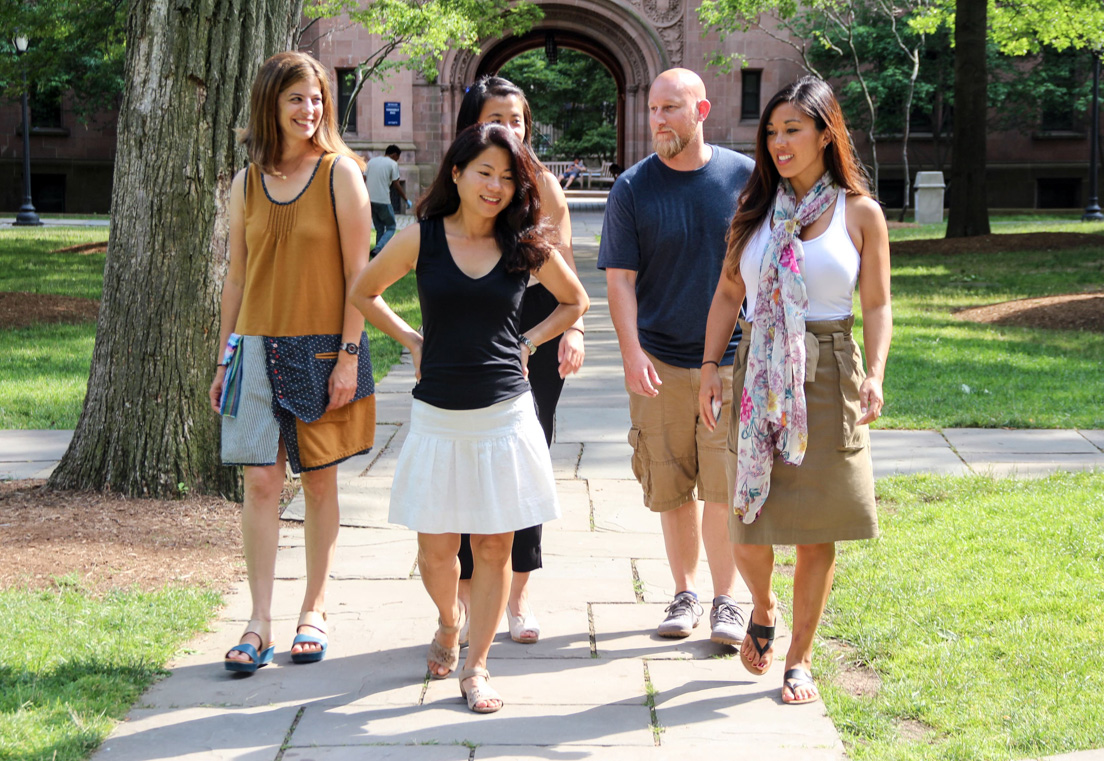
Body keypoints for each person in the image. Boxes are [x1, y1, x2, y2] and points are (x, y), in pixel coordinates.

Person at [350, 122, 589, 713]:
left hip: (505, 416)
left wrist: (529, 341)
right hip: (437, 418)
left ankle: (477, 666)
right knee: (436, 552)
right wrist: (410, 338)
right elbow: (363, 290)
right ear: (456, 173)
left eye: (508, 177)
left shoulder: (522, 244)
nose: (496, 186)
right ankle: (448, 621)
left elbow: (575, 300)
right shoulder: (422, 238)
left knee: (492, 546)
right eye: (485, 172)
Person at [698, 75, 891, 704]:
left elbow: (879, 304)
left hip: (830, 368)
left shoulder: (860, 214)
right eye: (772, 132)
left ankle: (800, 659)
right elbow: (730, 293)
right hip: (757, 371)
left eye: (793, 130)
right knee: (747, 518)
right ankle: (763, 605)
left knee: (818, 526)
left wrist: (876, 374)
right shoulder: (753, 210)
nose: (779, 143)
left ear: (825, 133)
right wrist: (708, 367)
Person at [209, 51, 376, 674]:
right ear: (270, 106)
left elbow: (361, 278)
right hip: (253, 347)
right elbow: (236, 278)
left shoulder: (341, 173)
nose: (310, 111)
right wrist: (225, 357)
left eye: (317, 100)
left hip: (324, 347)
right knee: (260, 482)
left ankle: (316, 608)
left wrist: (348, 357)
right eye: (296, 100)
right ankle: (258, 621)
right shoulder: (245, 182)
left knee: (321, 480)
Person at [598, 68, 754, 644]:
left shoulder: (745, 178)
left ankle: (725, 602)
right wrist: (630, 352)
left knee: (724, 483)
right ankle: (684, 594)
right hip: (659, 361)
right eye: (653, 110)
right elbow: (620, 281)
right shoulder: (633, 188)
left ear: (701, 110)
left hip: (733, 362)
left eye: (669, 109)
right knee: (671, 483)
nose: (657, 119)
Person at [451, 75, 587, 645]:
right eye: (498, 119)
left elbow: (568, 271)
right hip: (475, 329)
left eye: (519, 120)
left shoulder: (545, 187)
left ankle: (517, 597)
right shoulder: (461, 184)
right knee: (465, 464)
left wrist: (572, 329)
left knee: (526, 464)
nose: (511, 130)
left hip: (536, 327)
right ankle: (464, 597)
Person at [365, 144, 408, 256]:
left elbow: (363, 179)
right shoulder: (393, 164)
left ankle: (377, 253)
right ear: (394, 155)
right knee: (391, 227)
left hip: (370, 201)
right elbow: (396, 184)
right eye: (397, 158)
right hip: (383, 200)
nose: (397, 160)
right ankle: (379, 247)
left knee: (379, 228)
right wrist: (406, 199)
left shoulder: (371, 162)